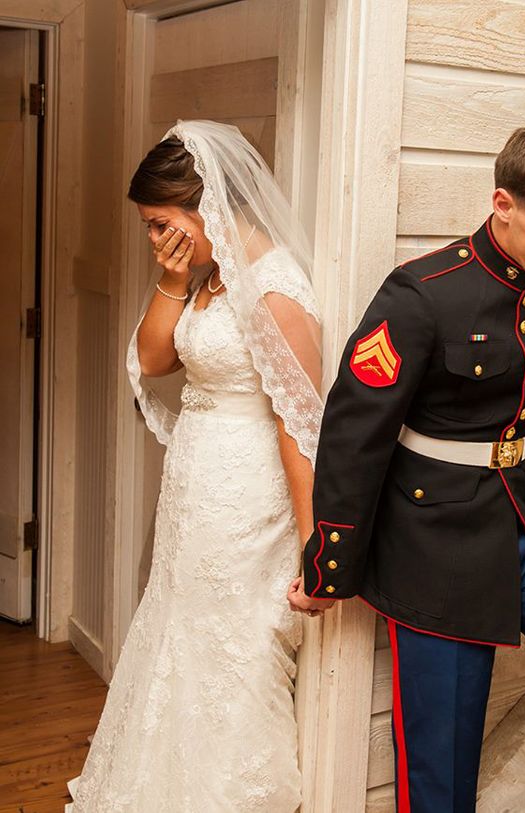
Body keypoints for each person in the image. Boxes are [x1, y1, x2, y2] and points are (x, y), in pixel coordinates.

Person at [289, 128, 525, 812]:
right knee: (442, 766)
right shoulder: (422, 294)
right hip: (433, 541)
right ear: (503, 202)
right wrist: (330, 565)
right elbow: (355, 437)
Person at [67, 120, 322, 812]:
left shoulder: (274, 289)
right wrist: (171, 277)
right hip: (194, 487)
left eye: (159, 224)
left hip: (248, 500)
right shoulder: (207, 274)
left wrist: (314, 541)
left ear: (205, 205)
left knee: (232, 649)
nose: (154, 238)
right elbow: (154, 359)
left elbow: (299, 424)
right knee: (179, 631)